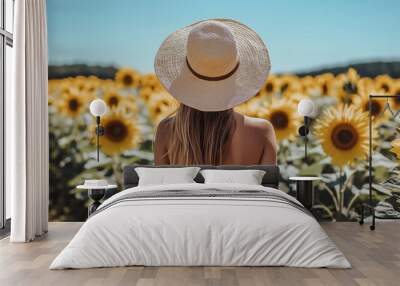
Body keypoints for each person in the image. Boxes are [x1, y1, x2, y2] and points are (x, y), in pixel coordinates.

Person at [153, 19, 277, 165]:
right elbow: (268, 188)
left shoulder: (166, 132)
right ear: (235, 75)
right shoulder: (261, 132)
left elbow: (161, 187)